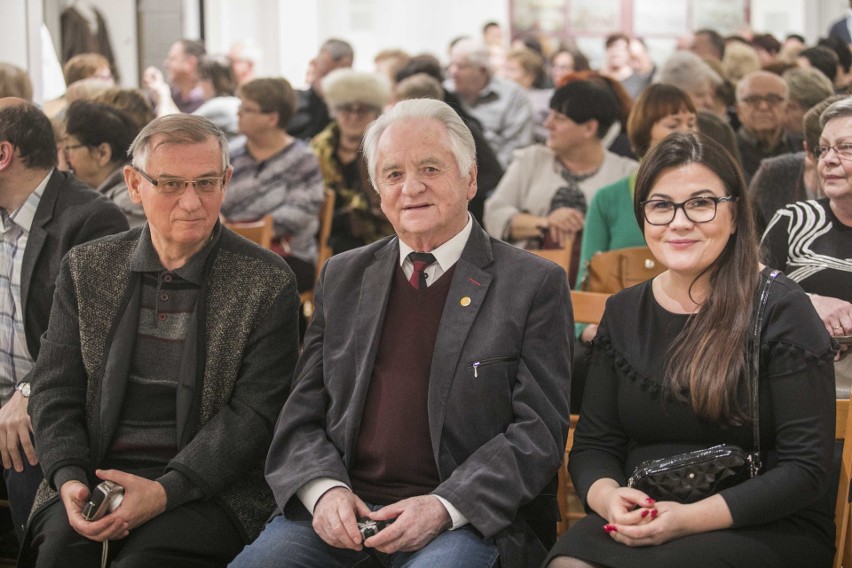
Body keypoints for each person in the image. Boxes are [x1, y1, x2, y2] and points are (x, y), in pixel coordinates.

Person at [230, 98, 571, 568]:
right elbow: (301, 414)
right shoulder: (343, 276)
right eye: (392, 174)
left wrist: (442, 507)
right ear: (377, 189)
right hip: (343, 512)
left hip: (465, 520)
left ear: (470, 178)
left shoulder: (532, 284)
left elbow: (539, 433)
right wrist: (325, 493)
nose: (411, 187)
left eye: (430, 168)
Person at [546, 131, 836, 568]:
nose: (679, 222)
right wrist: (609, 498)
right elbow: (593, 446)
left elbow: (805, 471)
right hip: (648, 512)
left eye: (701, 203)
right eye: (661, 205)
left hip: (763, 521)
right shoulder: (624, 311)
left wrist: (687, 520)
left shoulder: (783, 309)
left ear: (735, 214)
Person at [21, 114, 300, 567]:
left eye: (206, 182)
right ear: (134, 184)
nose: (191, 202)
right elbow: (55, 390)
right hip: (95, 474)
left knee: (146, 562)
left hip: (208, 487)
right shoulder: (87, 268)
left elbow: (255, 415)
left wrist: (164, 492)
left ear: (226, 181)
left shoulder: (265, 281)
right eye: (170, 183)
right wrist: (68, 477)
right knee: (60, 557)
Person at [0, 98, 128, 543]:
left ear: (3, 155)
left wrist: (29, 389)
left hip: (50, 400)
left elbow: (98, 336)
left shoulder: (90, 218)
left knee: (25, 455)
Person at [574, 84, 698, 342]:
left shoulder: (707, 198)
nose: (687, 133)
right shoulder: (608, 199)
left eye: (692, 123)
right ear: (646, 133)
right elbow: (585, 283)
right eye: (673, 124)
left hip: (693, 330)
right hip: (621, 333)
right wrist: (587, 331)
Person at [483, 79, 637, 280]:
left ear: (589, 128)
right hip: (525, 280)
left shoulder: (626, 173)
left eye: (560, 118)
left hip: (599, 286)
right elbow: (494, 213)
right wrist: (546, 222)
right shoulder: (531, 160)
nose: (548, 124)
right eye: (550, 115)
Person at [762, 96, 852, 392]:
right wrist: (809, 303)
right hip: (802, 386)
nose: (828, 159)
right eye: (823, 149)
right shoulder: (794, 220)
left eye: (845, 148)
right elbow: (746, 293)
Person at [222, 77, 324, 293]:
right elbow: (212, 196)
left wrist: (247, 230)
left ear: (272, 118)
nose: (238, 113)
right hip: (230, 249)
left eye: (247, 109)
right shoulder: (230, 154)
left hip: (289, 254)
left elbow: (301, 211)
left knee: (255, 280)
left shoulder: (302, 158)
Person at [310, 69, 394, 255]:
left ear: (375, 113)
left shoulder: (388, 148)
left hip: (381, 241)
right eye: (346, 109)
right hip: (324, 239)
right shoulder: (317, 149)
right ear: (334, 111)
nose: (354, 116)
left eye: (362, 110)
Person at [750, 95, 845, 235]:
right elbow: (749, 241)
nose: (832, 160)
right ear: (808, 150)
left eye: (846, 148)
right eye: (824, 150)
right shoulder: (773, 175)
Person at [446, 38, 534, 168]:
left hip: (496, 177)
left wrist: (484, 177)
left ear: (482, 70)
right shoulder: (444, 93)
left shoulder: (513, 97)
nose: (453, 72)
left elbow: (517, 148)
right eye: (451, 65)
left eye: (461, 66)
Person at [63, 99, 147, 227]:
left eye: (70, 147)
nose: (66, 158)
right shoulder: (115, 196)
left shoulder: (126, 202)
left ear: (102, 153)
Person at [735, 70, 798, 182]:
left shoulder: (804, 150)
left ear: (787, 109)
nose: (763, 107)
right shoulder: (726, 154)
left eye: (772, 99)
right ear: (738, 110)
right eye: (753, 99)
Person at [287, 38, 354, 140]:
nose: (328, 82)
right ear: (315, 65)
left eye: (336, 77)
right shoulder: (294, 103)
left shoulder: (355, 113)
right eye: (324, 73)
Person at [143, 39, 207, 115]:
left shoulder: (207, 101)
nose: (165, 64)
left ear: (190, 63)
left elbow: (181, 126)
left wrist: (163, 96)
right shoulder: (172, 93)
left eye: (172, 59)